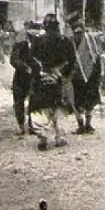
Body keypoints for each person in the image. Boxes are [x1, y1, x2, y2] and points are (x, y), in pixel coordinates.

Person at [30, 13, 76, 151]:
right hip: (59, 78)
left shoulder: (37, 41)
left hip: (42, 79)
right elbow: (71, 60)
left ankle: (42, 136)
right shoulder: (65, 41)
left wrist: (40, 73)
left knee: (41, 107)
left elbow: (32, 59)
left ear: (45, 26)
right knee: (59, 107)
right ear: (57, 26)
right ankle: (60, 136)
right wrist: (60, 73)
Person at [71, 21, 102, 135]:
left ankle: (83, 125)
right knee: (87, 102)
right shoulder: (90, 40)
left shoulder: (72, 40)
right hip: (87, 76)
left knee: (79, 102)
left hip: (80, 77)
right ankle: (86, 124)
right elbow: (97, 57)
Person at [10, 22, 39, 135]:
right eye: (31, 36)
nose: (33, 38)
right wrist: (24, 66)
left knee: (35, 102)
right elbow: (13, 60)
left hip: (34, 78)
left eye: (35, 36)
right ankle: (21, 125)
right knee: (18, 102)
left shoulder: (41, 46)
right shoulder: (20, 45)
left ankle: (32, 125)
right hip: (20, 78)